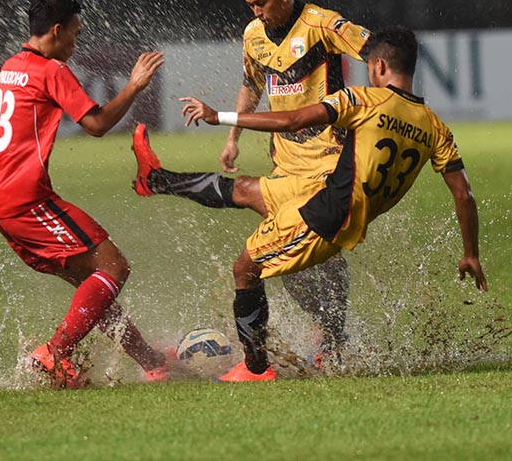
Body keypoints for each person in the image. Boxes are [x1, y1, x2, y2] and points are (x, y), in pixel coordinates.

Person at [175, 26, 487, 381]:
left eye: (370, 64)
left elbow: (292, 121)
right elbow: (464, 194)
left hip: (324, 216)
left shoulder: (363, 100)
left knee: (244, 269)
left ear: (379, 66)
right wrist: (471, 254)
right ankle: (330, 346)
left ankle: (256, 369)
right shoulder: (435, 127)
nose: (369, 70)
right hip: (343, 218)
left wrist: (220, 117)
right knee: (284, 264)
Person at [133, 0, 372, 364]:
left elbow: (379, 54)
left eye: (262, 3)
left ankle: (157, 180)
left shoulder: (321, 24)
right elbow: (251, 84)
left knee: (269, 234)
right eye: (250, 6)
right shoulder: (253, 36)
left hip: (328, 163)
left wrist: (386, 107)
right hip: (287, 162)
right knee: (299, 259)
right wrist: (233, 138)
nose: (257, 12)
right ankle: (332, 339)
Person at [0, 0, 168, 388]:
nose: (76, 41)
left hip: (4, 204)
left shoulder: (11, 65)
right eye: (75, 32)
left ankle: (153, 362)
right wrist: (134, 86)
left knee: (95, 290)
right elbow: (98, 124)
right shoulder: (50, 70)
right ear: (57, 30)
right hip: (28, 200)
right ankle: (54, 353)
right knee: (113, 268)